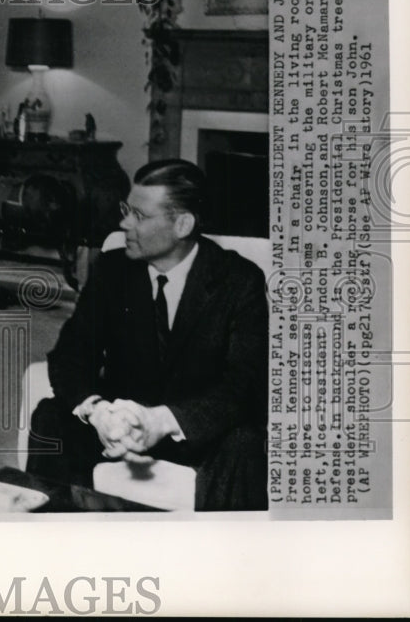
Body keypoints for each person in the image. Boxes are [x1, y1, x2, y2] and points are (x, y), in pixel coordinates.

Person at [27, 159, 268, 510]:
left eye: (139, 216)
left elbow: (244, 384)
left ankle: (224, 556)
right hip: (119, 426)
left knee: (244, 443)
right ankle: (58, 546)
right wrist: (98, 413)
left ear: (182, 224)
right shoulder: (113, 270)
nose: (123, 223)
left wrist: (163, 420)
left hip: (195, 432)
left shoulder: (239, 281)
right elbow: (72, 354)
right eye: (126, 209)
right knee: (51, 415)